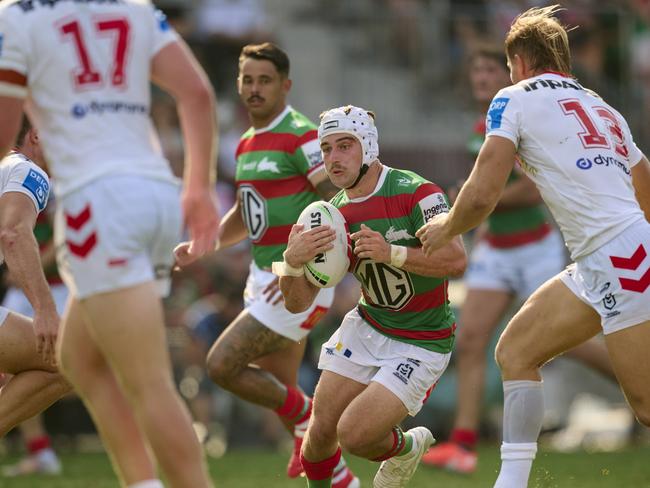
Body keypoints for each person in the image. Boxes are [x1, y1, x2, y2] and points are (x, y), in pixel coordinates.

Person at [416, 6, 650, 488]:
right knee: (516, 350)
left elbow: (481, 193)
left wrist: (446, 227)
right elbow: (645, 191)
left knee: (646, 404)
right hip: (614, 253)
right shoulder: (604, 107)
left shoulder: (512, 98)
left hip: (619, 256)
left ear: (518, 61)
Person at [0, 2, 220, 487]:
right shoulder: (134, 8)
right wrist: (199, 188)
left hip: (99, 202)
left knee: (146, 381)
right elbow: (197, 94)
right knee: (76, 358)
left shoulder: (17, 16)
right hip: (157, 193)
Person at [174, 42, 358, 487]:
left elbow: (332, 204)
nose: (255, 89)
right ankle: (340, 479)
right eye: (248, 80)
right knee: (284, 398)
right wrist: (204, 243)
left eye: (265, 80)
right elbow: (246, 212)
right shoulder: (245, 142)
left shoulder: (301, 135)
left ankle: (310, 417)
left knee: (222, 367)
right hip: (262, 279)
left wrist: (301, 269)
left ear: (285, 85)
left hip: (291, 283)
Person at [275, 105, 467, 488]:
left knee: (356, 435)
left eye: (344, 146)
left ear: (368, 146)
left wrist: (393, 253)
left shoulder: (417, 192)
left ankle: (407, 447)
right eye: (326, 149)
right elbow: (297, 302)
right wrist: (292, 263)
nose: (333, 158)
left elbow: (457, 260)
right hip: (368, 325)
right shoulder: (332, 213)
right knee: (316, 440)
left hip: (421, 341)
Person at [1, 120, 68, 477]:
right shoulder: (28, 171)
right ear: (38, 134)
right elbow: (13, 233)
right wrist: (45, 310)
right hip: (58, 284)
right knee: (65, 360)